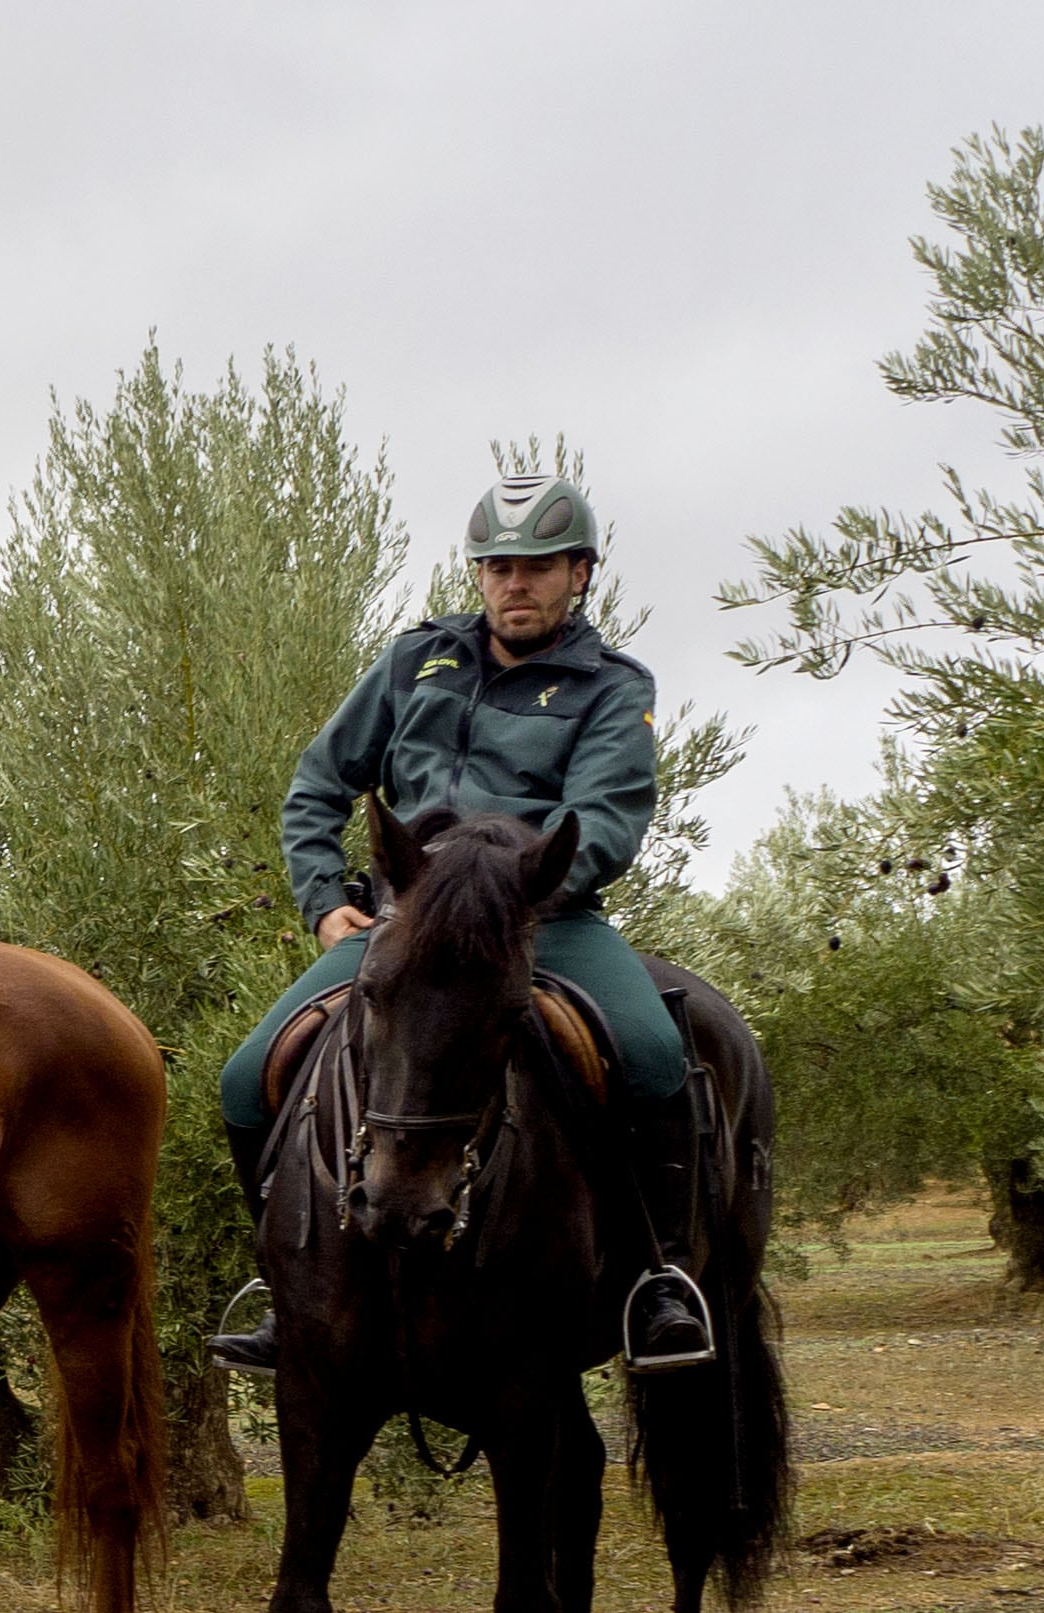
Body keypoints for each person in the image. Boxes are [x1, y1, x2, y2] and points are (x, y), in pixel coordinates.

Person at [208, 471, 707, 1376]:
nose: (517, 584)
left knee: (652, 1053)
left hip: (541, 920)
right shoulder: (413, 663)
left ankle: (661, 1280)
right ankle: (287, 1287)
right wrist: (325, 900)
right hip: (404, 926)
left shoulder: (611, 688)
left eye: (539, 568)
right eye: (499, 566)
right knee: (248, 1079)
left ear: (581, 574)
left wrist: (510, 895)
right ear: (478, 575)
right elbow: (319, 785)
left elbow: (605, 822)